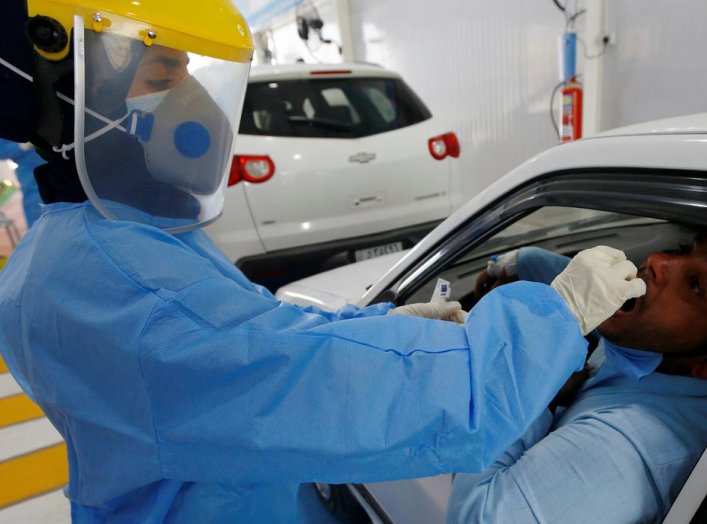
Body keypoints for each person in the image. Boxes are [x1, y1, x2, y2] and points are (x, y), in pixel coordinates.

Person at [0, 1, 645, 521]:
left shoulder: (67, 252)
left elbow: (253, 337)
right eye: (164, 75)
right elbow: (339, 389)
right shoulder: (128, 288)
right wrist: (556, 317)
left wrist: (390, 326)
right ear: (86, 91)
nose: (193, 101)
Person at [447, 236, 707, 523]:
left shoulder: (626, 450)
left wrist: (533, 389)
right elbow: (590, 293)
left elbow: (474, 517)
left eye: (695, 286)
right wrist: (524, 261)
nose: (658, 259)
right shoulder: (652, 352)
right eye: (685, 250)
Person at [0, 139, 44, 226]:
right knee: (37, 217)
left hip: (58, 161)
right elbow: (2, 150)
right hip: (30, 174)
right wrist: (21, 146)